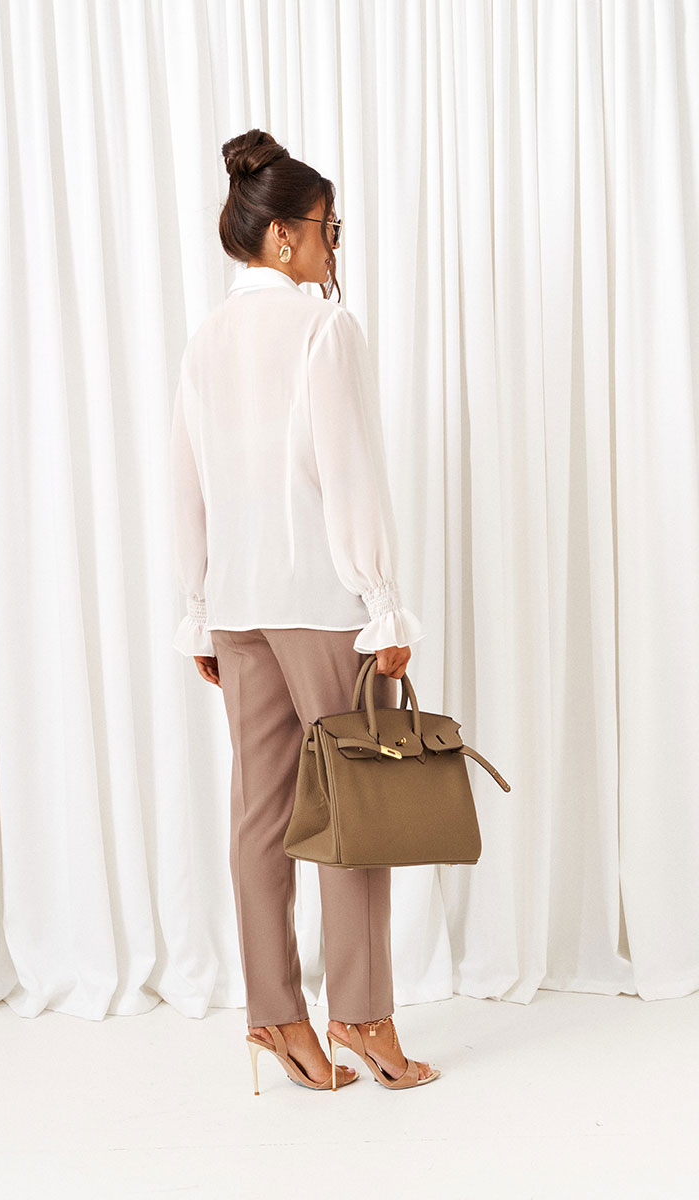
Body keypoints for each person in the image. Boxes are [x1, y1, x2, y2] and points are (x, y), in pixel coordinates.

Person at [169, 128, 439, 1093]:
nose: (334, 246)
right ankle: (363, 1014)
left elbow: (187, 485)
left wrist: (197, 609)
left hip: (239, 607)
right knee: (352, 809)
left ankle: (277, 1020)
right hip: (323, 607)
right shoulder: (325, 330)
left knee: (260, 813)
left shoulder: (205, 339)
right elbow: (350, 473)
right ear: (282, 236)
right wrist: (385, 605)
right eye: (328, 229)